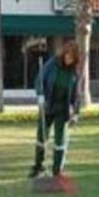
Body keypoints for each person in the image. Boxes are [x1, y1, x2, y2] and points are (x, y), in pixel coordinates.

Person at [29, 41, 81, 182]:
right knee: (42, 136)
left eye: (72, 58)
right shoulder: (52, 64)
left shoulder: (74, 72)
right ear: (64, 53)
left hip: (62, 110)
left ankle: (57, 172)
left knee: (60, 140)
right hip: (48, 105)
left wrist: (75, 112)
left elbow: (76, 95)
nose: (69, 59)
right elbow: (39, 80)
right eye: (68, 55)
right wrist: (40, 95)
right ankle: (38, 167)